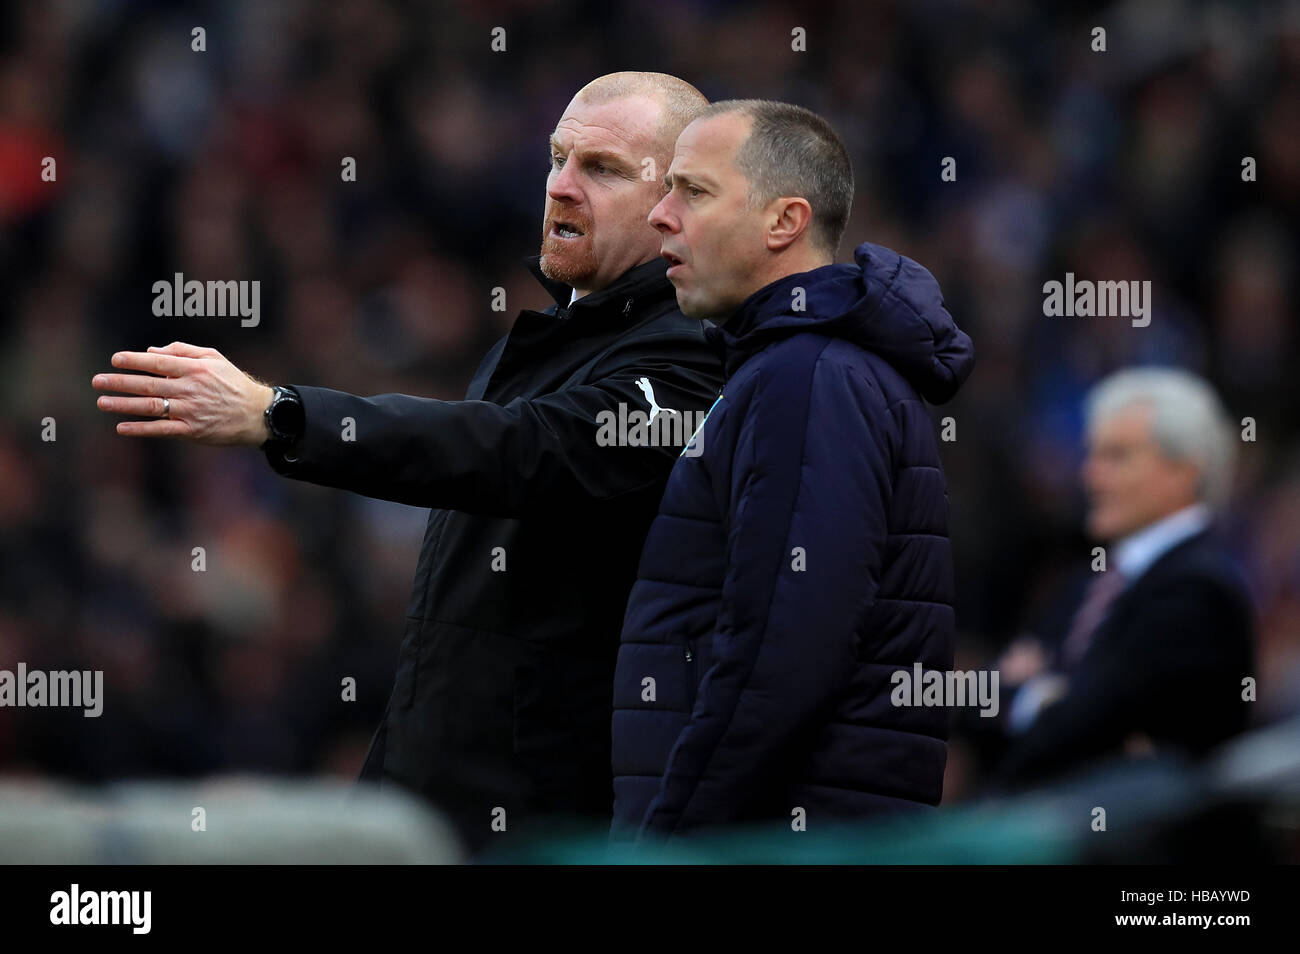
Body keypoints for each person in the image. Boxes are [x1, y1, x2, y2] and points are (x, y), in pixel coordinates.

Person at [91, 72, 724, 852]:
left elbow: (520, 450)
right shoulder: (538, 345)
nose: (560, 187)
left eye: (602, 169)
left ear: (678, 202)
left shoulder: (692, 357)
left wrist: (279, 415)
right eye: (558, 159)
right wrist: (392, 783)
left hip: (548, 820)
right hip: (442, 793)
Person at [610, 100, 975, 840]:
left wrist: (669, 842)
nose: (661, 215)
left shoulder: (806, 378)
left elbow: (784, 650)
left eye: (695, 191)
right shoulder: (789, 369)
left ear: (785, 222)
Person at [991, 368, 1255, 786]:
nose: (1090, 475)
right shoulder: (1089, 583)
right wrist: (1049, 700)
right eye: (1092, 454)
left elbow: (1084, 730)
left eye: (1115, 456)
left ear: (1184, 472)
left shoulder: (1197, 592)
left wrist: (1032, 695)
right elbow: (982, 707)